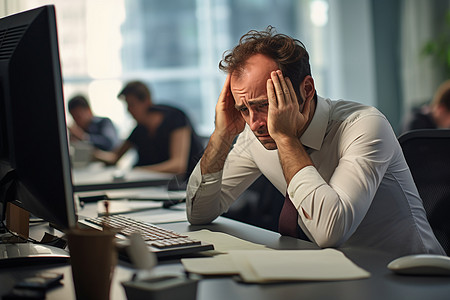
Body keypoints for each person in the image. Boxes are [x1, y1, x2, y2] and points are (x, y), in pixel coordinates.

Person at [186, 27, 445, 256]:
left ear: (306, 89)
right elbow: (198, 213)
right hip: (335, 274)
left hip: (409, 276)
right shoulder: (255, 134)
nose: (254, 123)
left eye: (265, 104)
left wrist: (286, 138)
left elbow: (329, 232)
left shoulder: (364, 125)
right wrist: (222, 136)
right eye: (244, 109)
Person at [94, 81, 203, 177]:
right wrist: (92, 154)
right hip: (155, 185)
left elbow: (178, 166)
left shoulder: (175, 118)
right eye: (127, 105)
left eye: (132, 104)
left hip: (187, 186)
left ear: (146, 101)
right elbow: (115, 157)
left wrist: (138, 171)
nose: (129, 110)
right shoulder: (140, 129)